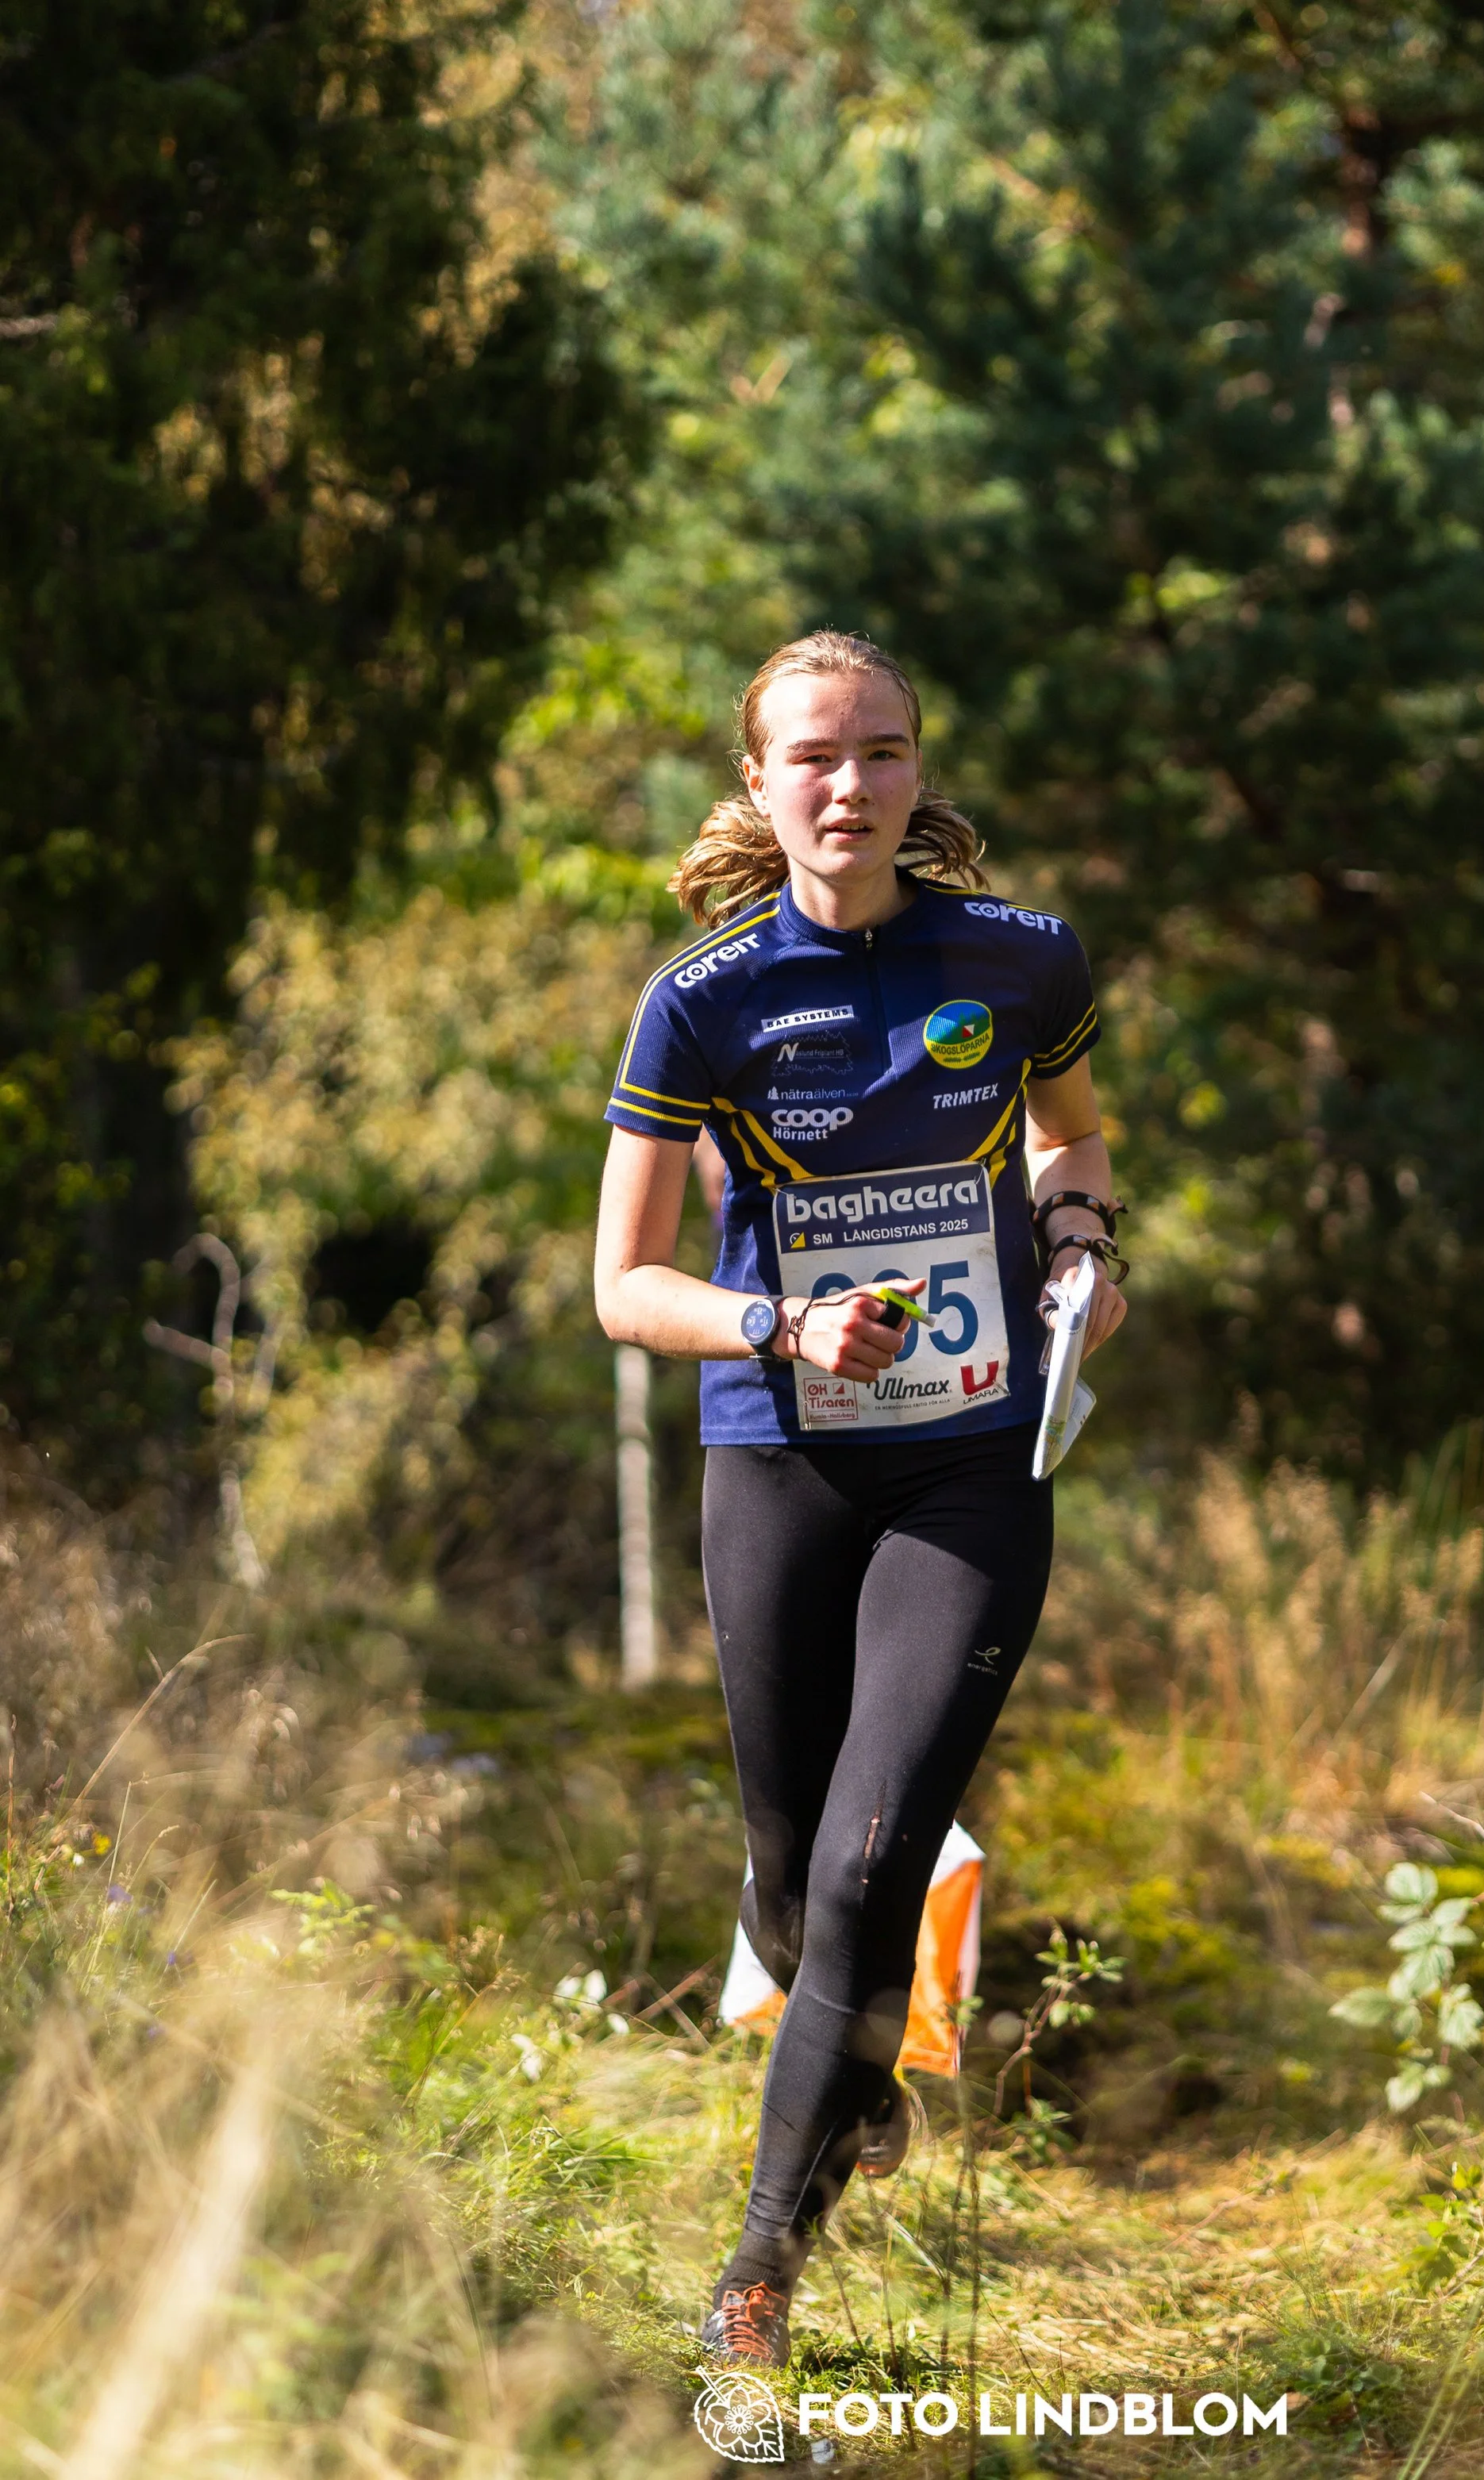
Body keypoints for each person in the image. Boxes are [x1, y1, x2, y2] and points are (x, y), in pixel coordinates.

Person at [593, 631, 1126, 2370]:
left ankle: (757, 2275)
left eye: (880, 752)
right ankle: (849, 2021)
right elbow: (622, 1282)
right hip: (777, 1445)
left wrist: (1080, 1248)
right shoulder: (706, 994)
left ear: (916, 771)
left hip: (970, 1454)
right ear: (758, 784)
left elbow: (1070, 1137)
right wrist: (777, 1318)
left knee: (873, 1846)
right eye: (812, 756)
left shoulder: (1021, 957)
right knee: (787, 1871)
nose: (848, 784)